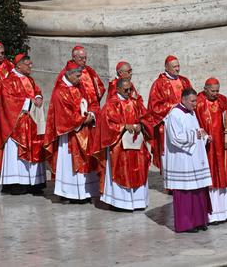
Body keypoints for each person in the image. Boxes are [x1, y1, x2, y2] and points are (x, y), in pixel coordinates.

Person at [0, 53, 46, 193]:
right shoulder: (9, 81)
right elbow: (8, 102)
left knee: (35, 150)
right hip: (16, 125)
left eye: (31, 63)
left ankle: (35, 182)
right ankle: (17, 183)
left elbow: (37, 91)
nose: (31, 66)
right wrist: (29, 102)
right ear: (19, 65)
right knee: (16, 155)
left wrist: (38, 97)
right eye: (28, 64)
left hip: (31, 121)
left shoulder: (29, 79)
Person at [94, 78, 151, 210]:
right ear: (118, 89)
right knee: (122, 171)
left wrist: (141, 125)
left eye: (130, 89)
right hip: (119, 147)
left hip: (136, 146)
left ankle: (138, 202)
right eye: (126, 89)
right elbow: (106, 124)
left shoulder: (135, 103)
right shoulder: (111, 105)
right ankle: (119, 203)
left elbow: (146, 118)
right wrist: (124, 126)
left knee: (139, 170)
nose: (129, 92)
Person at [46, 62, 98, 202]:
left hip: (84, 131)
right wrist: (83, 119)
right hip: (69, 135)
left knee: (85, 161)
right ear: (68, 75)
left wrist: (92, 114)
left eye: (80, 75)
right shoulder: (60, 92)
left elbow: (90, 101)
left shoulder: (79, 86)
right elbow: (65, 116)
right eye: (77, 75)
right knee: (69, 163)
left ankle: (85, 192)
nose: (80, 78)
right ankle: (70, 193)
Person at [164, 87, 213, 233]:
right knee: (186, 192)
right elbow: (175, 138)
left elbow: (197, 131)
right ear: (183, 99)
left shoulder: (191, 113)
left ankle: (199, 221)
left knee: (198, 190)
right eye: (192, 101)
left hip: (195, 158)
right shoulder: (175, 114)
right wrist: (195, 136)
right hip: (182, 160)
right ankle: (186, 224)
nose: (195, 104)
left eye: (196, 100)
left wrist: (204, 136)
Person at [195, 78, 227, 223]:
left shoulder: (222, 100)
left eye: (217, 91)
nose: (215, 94)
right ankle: (213, 214)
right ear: (205, 89)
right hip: (208, 147)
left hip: (223, 145)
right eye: (213, 91)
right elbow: (196, 124)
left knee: (226, 176)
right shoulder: (199, 103)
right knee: (212, 179)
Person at [145, 56, 192, 172]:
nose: (177, 69)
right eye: (174, 67)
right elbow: (154, 107)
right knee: (169, 154)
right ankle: (170, 183)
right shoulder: (158, 84)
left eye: (178, 66)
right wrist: (174, 106)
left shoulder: (184, 81)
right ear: (166, 67)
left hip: (185, 121)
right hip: (167, 124)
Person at [54, 45, 106, 110]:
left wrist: (95, 100)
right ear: (73, 57)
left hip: (93, 108)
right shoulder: (66, 72)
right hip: (77, 109)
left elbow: (100, 86)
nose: (84, 60)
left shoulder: (89, 70)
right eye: (81, 58)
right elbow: (60, 90)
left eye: (85, 58)